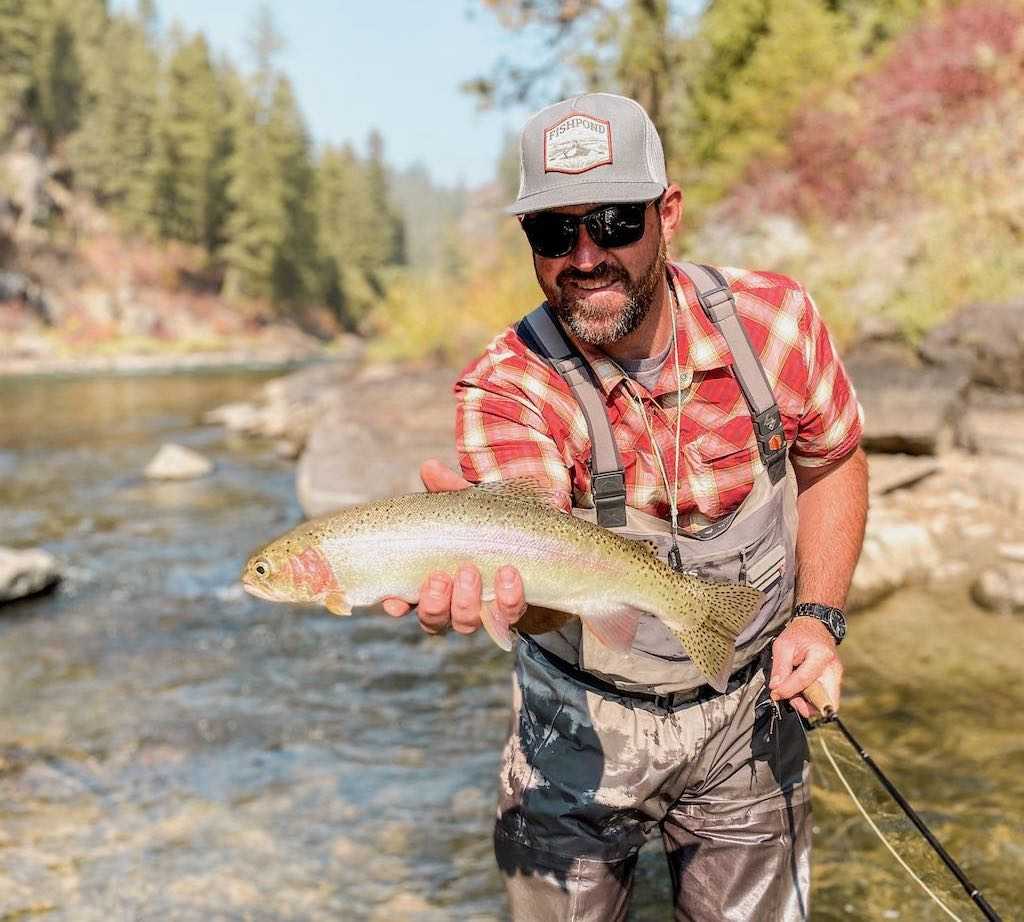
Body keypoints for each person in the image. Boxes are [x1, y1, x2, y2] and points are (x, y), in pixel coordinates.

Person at [383, 92, 868, 921]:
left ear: (666, 212)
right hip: (577, 726)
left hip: (750, 713)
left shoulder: (774, 322)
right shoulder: (507, 387)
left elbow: (833, 459)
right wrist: (499, 582)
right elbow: (534, 557)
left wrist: (818, 619)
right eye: (552, 232)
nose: (584, 255)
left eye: (612, 221)